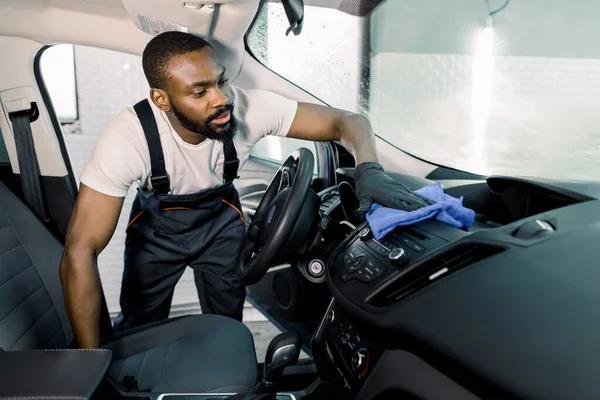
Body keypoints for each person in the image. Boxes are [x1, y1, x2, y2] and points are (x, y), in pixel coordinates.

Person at [59, 31, 430, 349]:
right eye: (199, 91)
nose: (220, 98)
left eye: (220, 81)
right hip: (157, 232)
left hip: (222, 222)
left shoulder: (247, 109)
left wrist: (368, 169)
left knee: (226, 324)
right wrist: (91, 365)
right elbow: (80, 250)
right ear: (162, 99)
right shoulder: (128, 137)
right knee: (140, 322)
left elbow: (346, 121)